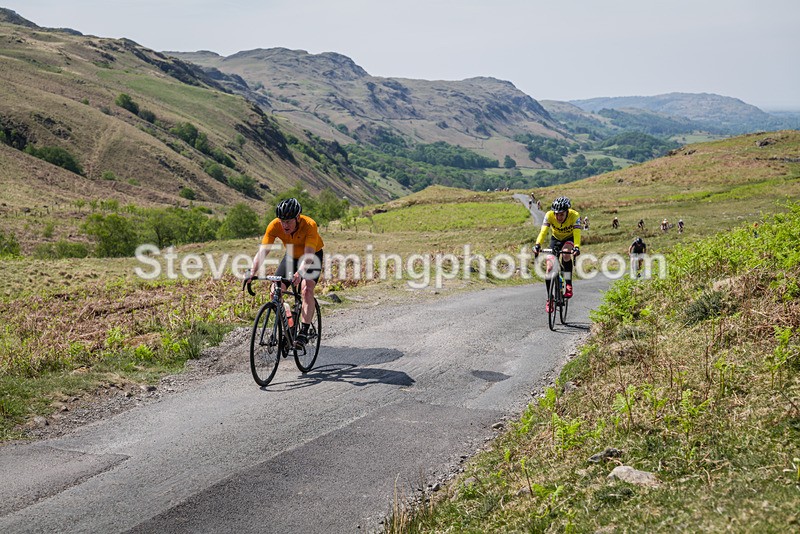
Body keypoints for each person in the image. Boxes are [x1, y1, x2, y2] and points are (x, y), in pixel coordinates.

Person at [245, 198, 324, 348]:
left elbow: (308, 255)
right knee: (275, 291)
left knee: (306, 289)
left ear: (297, 218)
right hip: (291, 256)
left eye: (288, 221)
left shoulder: (309, 225)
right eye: (282, 221)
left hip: (312, 256)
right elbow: (263, 250)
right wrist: (252, 271)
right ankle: (290, 323)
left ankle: (303, 333)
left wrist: (300, 273)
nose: (285, 225)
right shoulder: (274, 225)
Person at [533, 196, 581, 311]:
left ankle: (568, 284)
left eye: (561, 214)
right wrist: (537, 244)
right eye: (557, 214)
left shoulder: (574, 216)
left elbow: (577, 233)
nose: (559, 217)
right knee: (549, 269)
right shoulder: (549, 215)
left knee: (565, 254)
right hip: (555, 240)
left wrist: (576, 247)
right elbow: (543, 231)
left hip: (569, 239)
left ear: (567, 212)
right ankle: (550, 299)